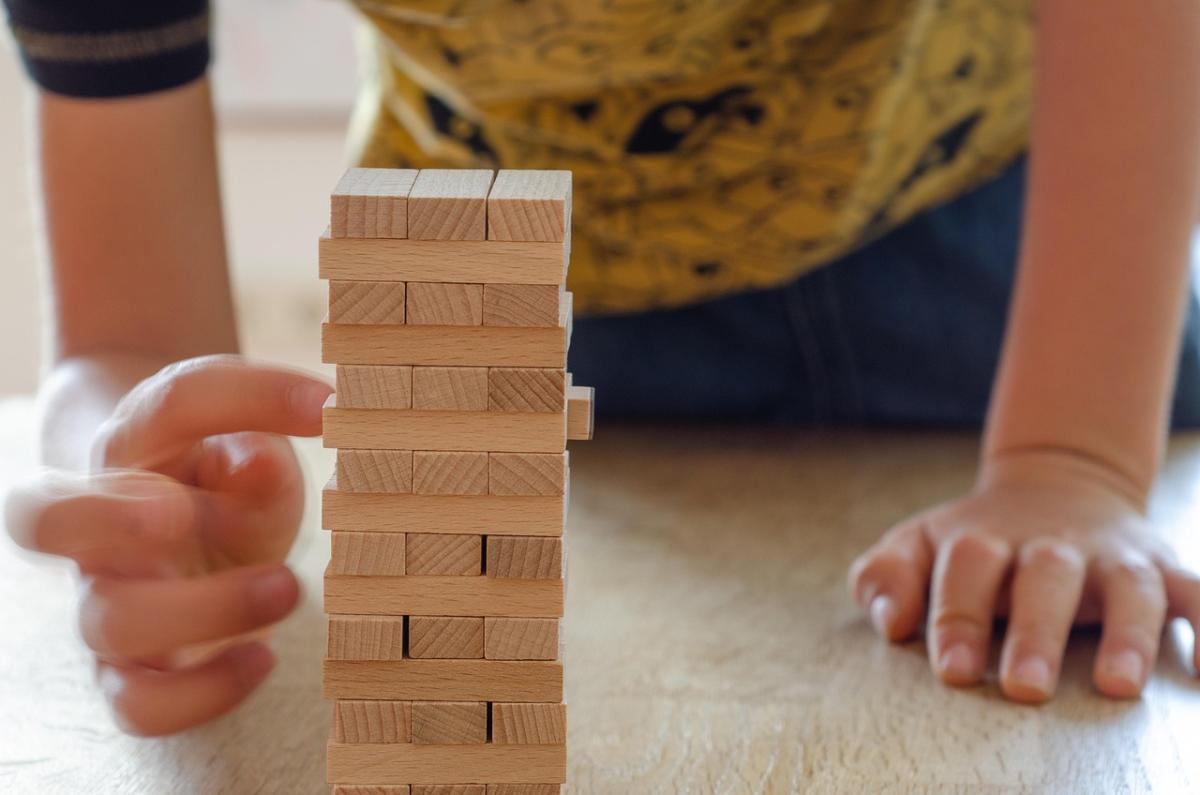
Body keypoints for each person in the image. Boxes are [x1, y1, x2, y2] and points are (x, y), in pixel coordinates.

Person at [2, 0, 1199, 736]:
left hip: (1025, 265)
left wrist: (1072, 458)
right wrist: (143, 476)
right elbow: (125, 344)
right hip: (517, 273)